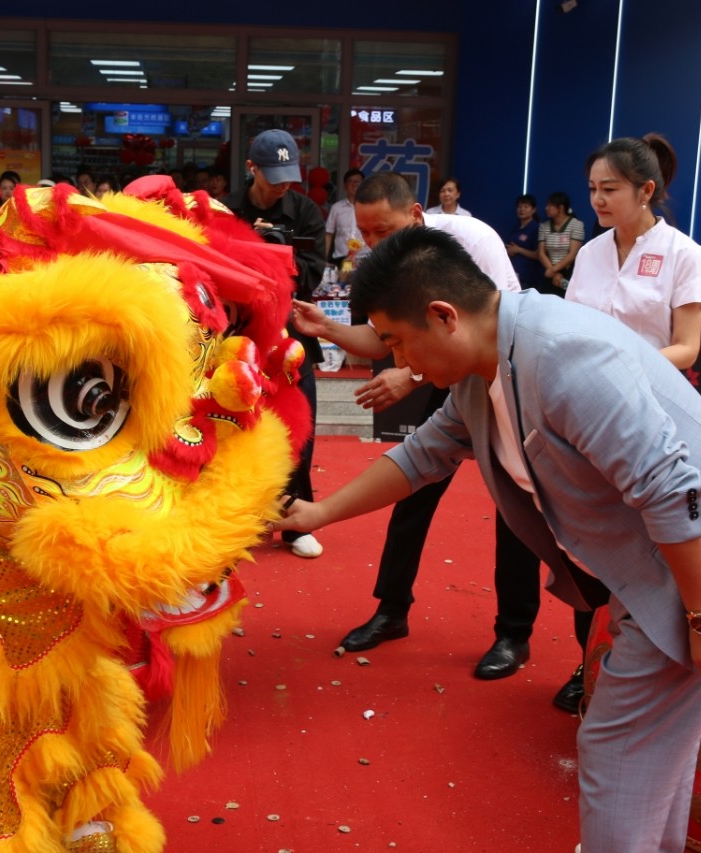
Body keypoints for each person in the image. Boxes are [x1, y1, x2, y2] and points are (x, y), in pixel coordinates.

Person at [277, 225, 701, 852]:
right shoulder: (487, 368)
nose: (401, 364)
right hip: (658, 572)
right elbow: (421, 457)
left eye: (397, 342)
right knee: (651, 755)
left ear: (444, 315)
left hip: (699, 572)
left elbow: (671, 488)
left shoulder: (560, 353)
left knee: (618, 747)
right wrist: (318, 514)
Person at [292, 173, 583, 709]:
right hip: (443, 376)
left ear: (418, 217)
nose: (374, 244)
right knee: (413, 487)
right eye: (365, 234)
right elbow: (380, 342)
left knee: (516, 501)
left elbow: (498, 335)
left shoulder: (475, 244)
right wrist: (327, 329)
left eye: (384, 231)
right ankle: (391, 608)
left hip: (502, 376)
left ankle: (514, 633)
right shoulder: (384, 267)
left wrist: (412, 373)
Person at [225, 129, 327, 559]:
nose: (283, 184)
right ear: (251, 169)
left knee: (297, 428)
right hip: (236, 339)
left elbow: (312, 273)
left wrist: (280, 255)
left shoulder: (304, 212)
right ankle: (232, 520)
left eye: (289, 176)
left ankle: (293, 523)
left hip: (292, 340)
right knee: (229, 429)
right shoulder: (228, 209)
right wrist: (253, 251)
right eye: (274, 176)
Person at [569, 134, 701, 370]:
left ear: (646, 191)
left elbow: (687, 348)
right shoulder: (589, 253)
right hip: (587, 386)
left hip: (650, 392)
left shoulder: (684, 253)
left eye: (609, 189)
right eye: (593, 189)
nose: (597, 200)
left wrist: (624, 365)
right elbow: (570, 325)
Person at [537, 191, 585, 293]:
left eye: (550, 205)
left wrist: (554, 271)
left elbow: (572, 254)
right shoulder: (544, 226)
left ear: (561, 208)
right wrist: (553, 272)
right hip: (549, 269)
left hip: (568, 271)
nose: (546, 208)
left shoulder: (576, 225)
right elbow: (541, 253)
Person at [325, 168, 364, 266]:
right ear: (344, 186)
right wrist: (324, 259)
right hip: (342, 258)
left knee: (363, 281)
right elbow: (328, 234)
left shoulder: (370, 208)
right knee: (341, 281)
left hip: (364, 258)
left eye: (358, 182)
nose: (354, 184)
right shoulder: (336, 208)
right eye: (351, 181)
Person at [505, 193, 541, 292]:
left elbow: (538, 255)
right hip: (513, 274)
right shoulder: (516, 227)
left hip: (527, 277)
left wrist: (518, 250)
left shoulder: (535, 228)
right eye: (519, 207)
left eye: (526, 207)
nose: (522, 209)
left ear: (533, 210)